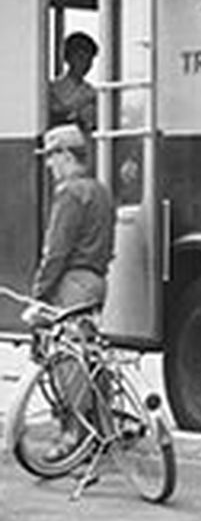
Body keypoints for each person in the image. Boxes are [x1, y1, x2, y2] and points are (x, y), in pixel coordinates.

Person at [24, 124, 115, 460]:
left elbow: (55, 253)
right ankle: (104, 430)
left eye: (51, 157)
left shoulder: (69, 194)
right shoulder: (101, 191)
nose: (49, 165)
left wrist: (38, 297)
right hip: (97, 281)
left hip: (72, 284)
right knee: (91, 356)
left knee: (68, 363)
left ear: (65, 155)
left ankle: (73, 437)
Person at [48, 31, 99, 133]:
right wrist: (75, 115)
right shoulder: (52, 89)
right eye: (80, 57)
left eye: (89, 59)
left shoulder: (92, 93)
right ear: (68, 57)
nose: (85, 63)